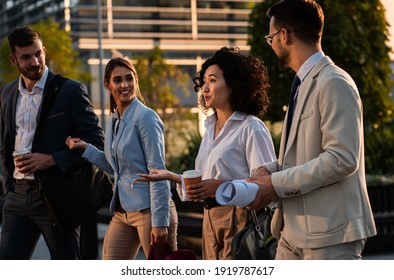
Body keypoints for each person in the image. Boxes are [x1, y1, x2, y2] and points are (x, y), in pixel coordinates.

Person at [247, 0, 377, 260]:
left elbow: (342, 159)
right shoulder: (302, 83)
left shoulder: (334, 82)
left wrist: (274, 183)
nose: (270, 44)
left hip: (330, 236)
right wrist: (270, 169)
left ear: (284, 35)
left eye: (270, 37)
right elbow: (304, 155)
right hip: (291, 232)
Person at [137, 47, 276, 259]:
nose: (205, 88)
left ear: (233, 84)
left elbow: (264, 185)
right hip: (209, 218)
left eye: (212, 80)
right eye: (203, 83)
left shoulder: (251, 127)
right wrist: (170, 176)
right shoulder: (209, 128)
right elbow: (202, 181)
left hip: (238, 218)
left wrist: (219, 186)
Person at [0, 26, 104, 260]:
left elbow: (96, 141)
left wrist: (52, 159)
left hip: (56, 197)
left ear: (44, 50)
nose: (35, 61)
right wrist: (8, 189)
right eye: (26, 57)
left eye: (38, 53)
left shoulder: (70, 90)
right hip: (17, 197)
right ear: (13, 59)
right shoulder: (7, 94)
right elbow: (4, 144)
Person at [65, 57, 178, 260]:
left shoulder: (146, 118)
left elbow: (158, 171)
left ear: (136, 80)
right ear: (108, 85)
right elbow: (114, 165)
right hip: (123, 211)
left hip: (150, 211)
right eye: (118, 80)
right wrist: (85, 148)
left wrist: (160, 221)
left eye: (129, 79)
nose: (124, 85)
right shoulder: (114, 119)